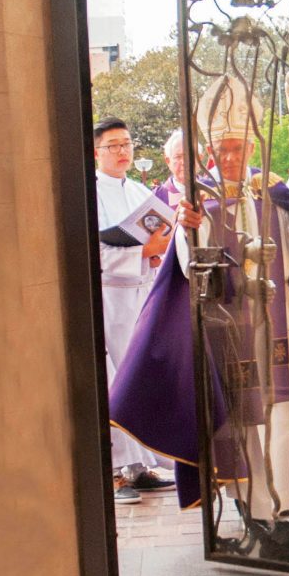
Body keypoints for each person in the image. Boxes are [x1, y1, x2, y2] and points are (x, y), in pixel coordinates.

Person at [110, 77, 289, 520]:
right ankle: (255, 507)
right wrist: (191, 230)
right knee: (245, 420)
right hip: (231, 326)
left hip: (283, 321)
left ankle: (286, 506)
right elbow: (191, 268)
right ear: (210, 153)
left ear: (252, 150)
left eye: (238, 148)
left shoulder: (277, 194)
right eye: (222, 150)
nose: (230, 158)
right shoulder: (200, 201)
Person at [94, 116, 175, 504]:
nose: (123, 151)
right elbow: (91, 250)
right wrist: (142, 252)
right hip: (110, 298)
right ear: (96, 152)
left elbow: (155, 240)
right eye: (113, 145)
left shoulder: (142, 191)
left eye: (126, 143)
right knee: (114, 380)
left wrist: (155, 254)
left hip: (141, 293)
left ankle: (141, 465)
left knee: (140, 375)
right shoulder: (88, 191)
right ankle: (117, 473)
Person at [155, 129, 186, 209]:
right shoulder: (157, 198)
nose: (184, 162)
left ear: (200, 158)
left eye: (190, 156)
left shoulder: (214, 189)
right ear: (168, 161)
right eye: (178, 157)